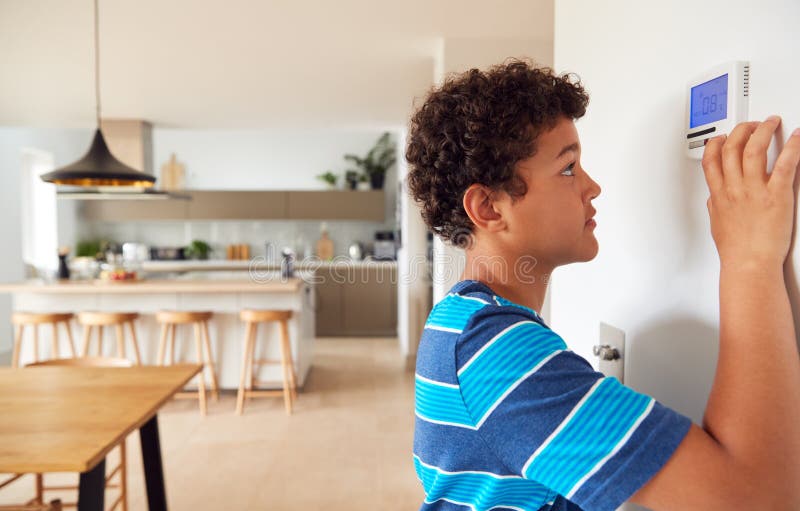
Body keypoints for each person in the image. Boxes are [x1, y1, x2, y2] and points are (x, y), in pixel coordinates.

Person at [405, 59, 800, 511]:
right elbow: (756, 500)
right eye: (568, 167)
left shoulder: (459, 323)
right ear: (489, 208)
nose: (592, 187)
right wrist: (749, 261)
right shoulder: (493, 352)